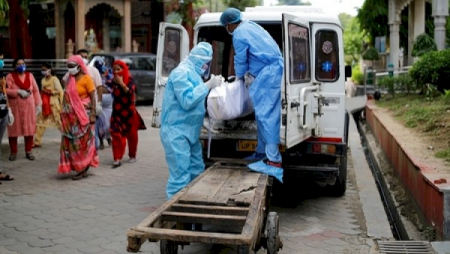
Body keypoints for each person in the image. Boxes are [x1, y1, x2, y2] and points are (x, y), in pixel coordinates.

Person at [220, 8, 284, 181]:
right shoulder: (251, 26)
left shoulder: (239, 33)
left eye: (226, 26)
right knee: (262, 116)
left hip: (267, 75)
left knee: (267, 116)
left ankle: (274, 160)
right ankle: (261, 153)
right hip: (269, 72)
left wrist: (239, 77)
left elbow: (241, 59)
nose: (228, 29)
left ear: (230, 24)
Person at [160, 42, 222, 199]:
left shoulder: (193, 74)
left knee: (196, 170)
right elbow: (187, 100)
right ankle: (176, 215)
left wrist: (204, 122)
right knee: (180, 175)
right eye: (206, 63)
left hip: (189, 131)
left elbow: (194, 107)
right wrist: (208, 85)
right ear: (199, 60)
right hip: (176, 132)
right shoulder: (181, 73)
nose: (206, 67)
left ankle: (193, 205)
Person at [58, 55, 99, 180]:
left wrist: (93, 113)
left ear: (79, 67)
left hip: (84, 117)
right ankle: (79, 167)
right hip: (71, 119)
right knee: (72, 144)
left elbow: (92, 97)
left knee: (83, 143)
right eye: (68, 66)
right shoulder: (70, 80)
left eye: (72, 66)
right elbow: (67, 97)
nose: (70, 69)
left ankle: (83, 169)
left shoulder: (87, 79)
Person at [62, 49, 103, 149]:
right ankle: (77, 162)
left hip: (87, 112)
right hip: (72, 116)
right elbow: (65, 88)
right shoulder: (70, 76)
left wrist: (98, 105)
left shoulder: (91, 73)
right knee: (74, 142)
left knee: (89, 140)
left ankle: (88, 159)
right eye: (81, 57)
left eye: (85, 57)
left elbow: (98, 89)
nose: (83, 59)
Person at [109, 60, 146, 168]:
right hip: (117, 113)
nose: (116, 72)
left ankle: (132, 155)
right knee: (116, 134)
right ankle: (117, 157)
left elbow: (130, 93)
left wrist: (121, 84)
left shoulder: (130, 80)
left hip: (129, 113)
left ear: (123, 69)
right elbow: (106, 88)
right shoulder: (113, 81)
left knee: (132, 136)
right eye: (114, 70)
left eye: (118, 69)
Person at [5, 58, 42, 161]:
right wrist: (18, 91)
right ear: (14, 66)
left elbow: (35, 90)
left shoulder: (30, 76)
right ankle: (13, 152)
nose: (21, 65)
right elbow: (6, 90)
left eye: (23, 63)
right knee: (13, 130)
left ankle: (28, 151)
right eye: (18, 64)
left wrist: (38, 104)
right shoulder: (10, 76)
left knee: (30, 129)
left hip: (29, 106)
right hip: (15, 106)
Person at [33, 63, 64, 147]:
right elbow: (41, 90)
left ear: (49, 70)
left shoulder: (54, 79)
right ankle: (37, 141)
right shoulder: (43, 80)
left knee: (59, 122)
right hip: (44, 103)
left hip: (53, 103)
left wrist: (50, 92)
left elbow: (60, 90)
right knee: (40, 122)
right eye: (42, 70)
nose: (43, 71)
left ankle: (67, 139)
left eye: (45, 69)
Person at [0, 52, 14, 182]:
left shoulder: (2, 75)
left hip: (3, 112)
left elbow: (4, 93)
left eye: (2, 59)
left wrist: (9, 109)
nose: (1, 62)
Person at [94, 59, 113, 149]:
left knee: (108, 122)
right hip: (99, 98)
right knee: (100, 122)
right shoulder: (93, 72)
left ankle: (108, 138)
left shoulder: (109, 72)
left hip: (108, 99)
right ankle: (101, 141)